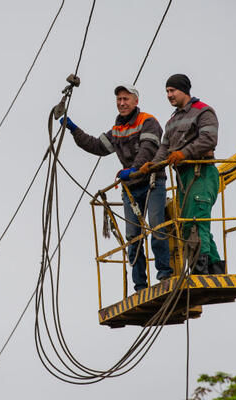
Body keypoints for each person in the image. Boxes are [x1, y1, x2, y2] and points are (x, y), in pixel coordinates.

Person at [59, 85, 173, 291]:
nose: (121, 103)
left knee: (156, 226)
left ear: (136, 101)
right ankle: (140, 285)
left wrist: (134, 169)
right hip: (131, 189)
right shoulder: (117, 129)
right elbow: (96, 146)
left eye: (126, 99)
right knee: (133, 236)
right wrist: (73, 129)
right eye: (119, 99)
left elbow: (148, 150)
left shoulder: (148, 122)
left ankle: (165, 275)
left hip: (152, 182)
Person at [140, 74, 225, 275]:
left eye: (172, 91)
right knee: (188, 222)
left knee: (196, 222)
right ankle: (215, 269)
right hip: (183, 176)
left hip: (201, 172)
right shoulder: (172, 121)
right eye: (167, 91)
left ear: (184, 90)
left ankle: (199, 270)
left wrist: (183, 153)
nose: (169, 95)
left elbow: (209, 139)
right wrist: (153, 165)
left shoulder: (203, 111)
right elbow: (165, 147)